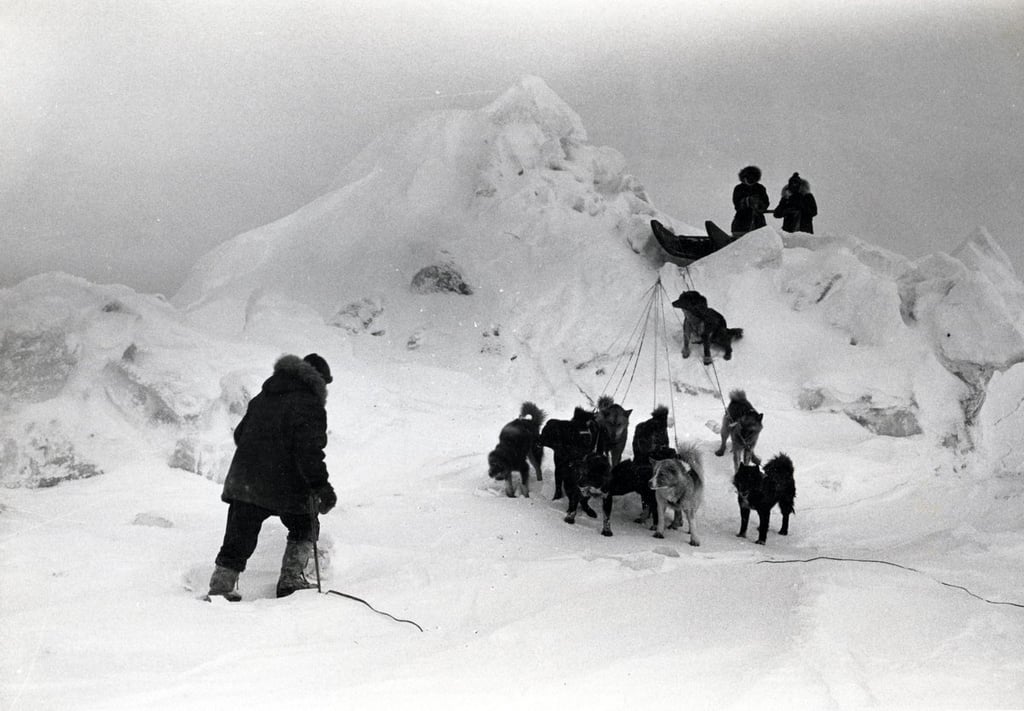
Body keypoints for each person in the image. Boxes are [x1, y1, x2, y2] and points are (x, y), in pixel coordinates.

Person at [207, 353, 338, 601]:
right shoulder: (309, 405)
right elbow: (309, 453)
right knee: (305, 524)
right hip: (284, 483)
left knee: (239, 533)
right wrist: (322, 489)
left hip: (245, 479)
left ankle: (221, 587)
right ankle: (290, 581)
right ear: (318, 380)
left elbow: (240, 435)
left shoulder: (264, 397)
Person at [731, 165, 770, 236]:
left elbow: (766, 204)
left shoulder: (760, 188)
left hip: (758, 222)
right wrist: (747, 201)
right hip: (741, 222)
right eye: (748, 178)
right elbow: (737, 205)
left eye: (753, 178)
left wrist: (759, 205)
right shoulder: (739, 188)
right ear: (744, 178)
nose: (750, 180)